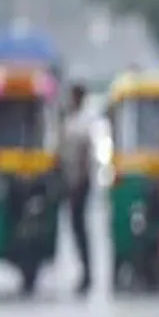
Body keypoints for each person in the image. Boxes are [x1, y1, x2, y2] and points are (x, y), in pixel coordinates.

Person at [61, 83, 93, 295]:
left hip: (79, 184)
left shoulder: (83, 123)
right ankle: (84, 272)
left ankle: (87, 273)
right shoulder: (70, 121)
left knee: (80, 229)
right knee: (75, 229)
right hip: (70, 182)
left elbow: (84, 158)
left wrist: (78, 184)